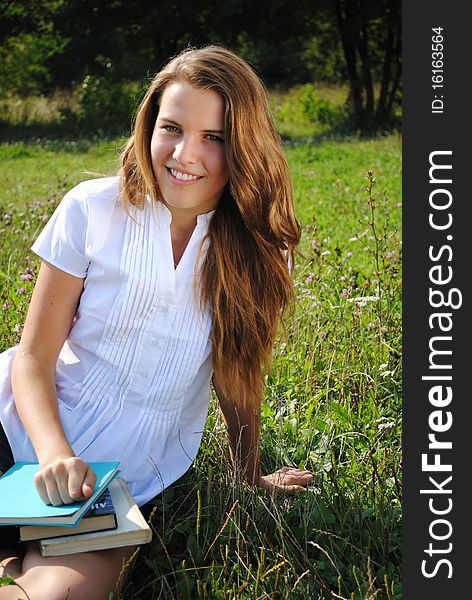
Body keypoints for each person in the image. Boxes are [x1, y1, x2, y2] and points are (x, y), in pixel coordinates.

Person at [0, 45, 313, 599]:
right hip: (14, 431)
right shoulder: (92, 209)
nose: (185, 154)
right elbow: (32, 358)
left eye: (213, 137)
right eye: (172, 128)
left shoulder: (259, 252)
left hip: (115, 481)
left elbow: (237, 374)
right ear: (149, 127)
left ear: (243, 146)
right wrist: (53, 455)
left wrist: (247, 475)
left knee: (60, 596)